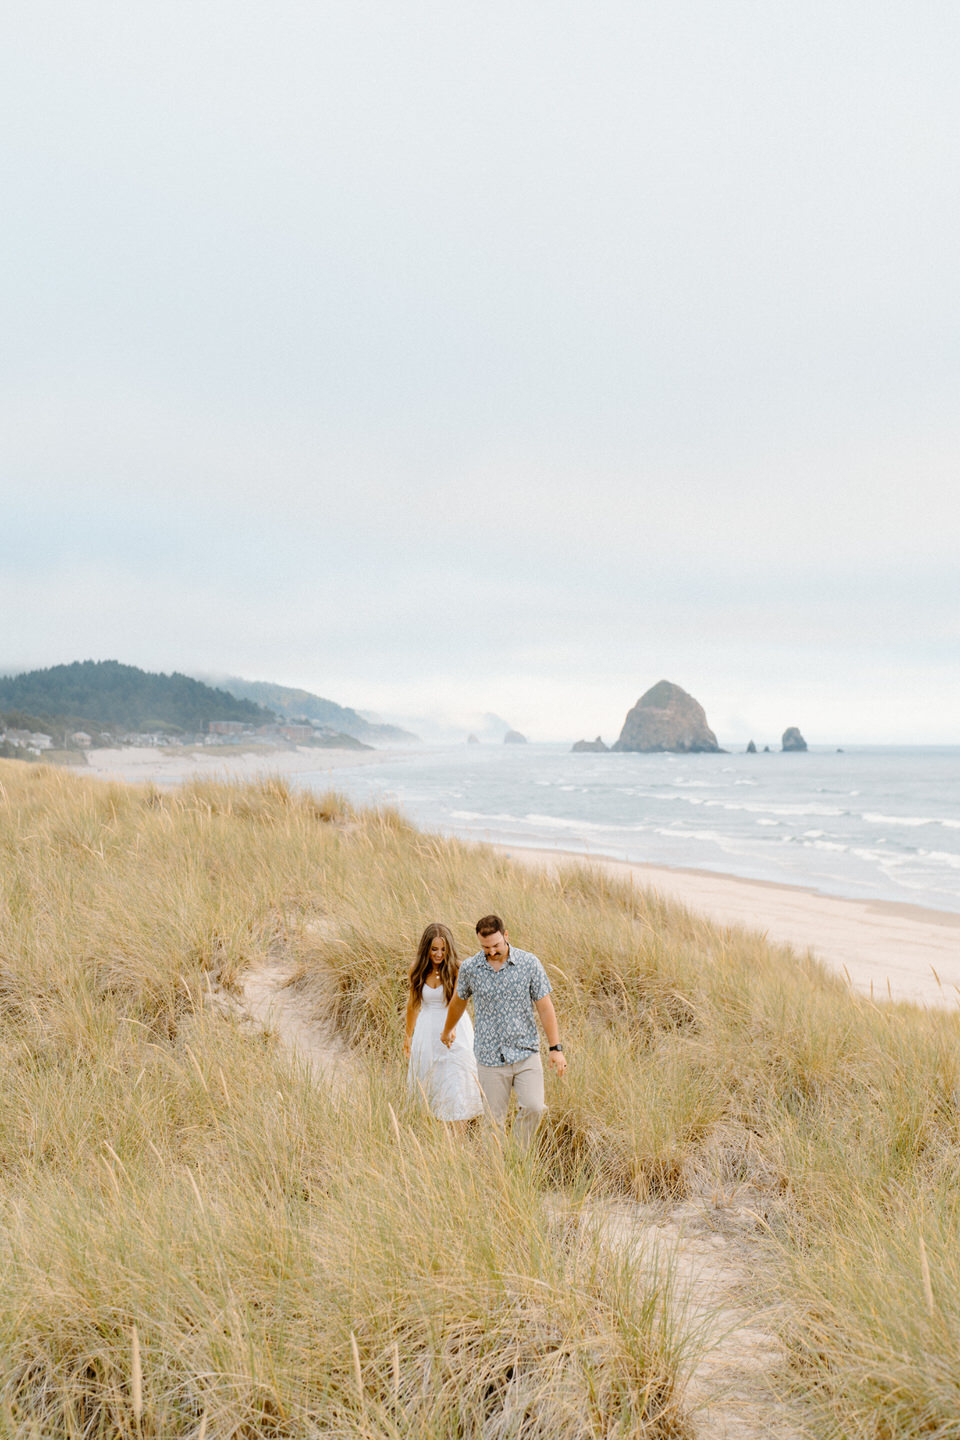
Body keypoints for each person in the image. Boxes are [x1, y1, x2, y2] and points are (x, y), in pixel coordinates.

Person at [441, 914, 566, 1148]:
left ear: (506, 936)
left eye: (496, 945)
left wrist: (555, 1048)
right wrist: (448, 1029)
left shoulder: (529, 964)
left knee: (534, 1106)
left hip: (525, 1051)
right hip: (489, 1057)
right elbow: (459, 1001)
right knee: (493, 1123)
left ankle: (517, 1157)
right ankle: (496, 1173)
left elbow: (545, 1007)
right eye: (485, 947)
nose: (491, 951)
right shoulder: (471, 968)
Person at [405, 922, 483, 1126]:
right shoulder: (417, 969)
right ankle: (436, 1138)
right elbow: (413, 1005)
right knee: (432, 1082)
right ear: (426, 949)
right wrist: (407, 1035)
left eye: (443, 949)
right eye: (434, 949)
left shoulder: (458, 968)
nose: (439, 954)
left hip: (455, 1028)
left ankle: (458, 1143)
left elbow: (458, 1001)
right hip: (427, 1031)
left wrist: (451, 1029)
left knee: (457, 1080)